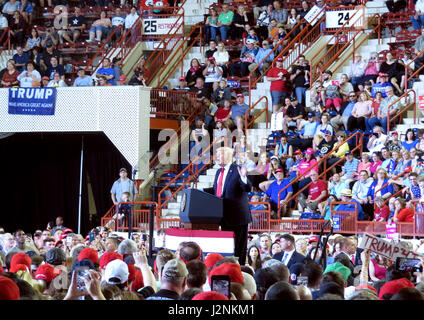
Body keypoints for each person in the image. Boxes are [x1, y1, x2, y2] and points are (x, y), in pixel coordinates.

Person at [204, 147, 252, 265]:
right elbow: (217, 191)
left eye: (219, 154)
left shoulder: (237, 169)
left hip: (238, 217)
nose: (216, 157)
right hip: (224, 216)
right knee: (228, 248)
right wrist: (199, 191)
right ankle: (228, 267)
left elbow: (247, 188)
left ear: (227, 155)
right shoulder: (218, 172)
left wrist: (244, 177)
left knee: (239, 248)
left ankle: (239, 270)